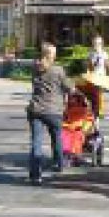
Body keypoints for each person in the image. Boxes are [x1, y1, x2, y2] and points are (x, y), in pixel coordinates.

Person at [26, 42, 74, 185]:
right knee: (56, 138)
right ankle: (58, 163)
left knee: (36, 142)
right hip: (54, 111)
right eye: (54, 53)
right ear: (50, 55)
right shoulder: (58, 70)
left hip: (36, 110)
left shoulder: (35, 67)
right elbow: (69, 88)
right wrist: (73, 88)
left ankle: (35, 175)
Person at [85, 35, 109, 118]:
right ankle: (95, 110)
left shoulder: (104, 54)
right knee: (94, 95)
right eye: (95, 43)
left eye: (98, 43)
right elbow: (88, 66)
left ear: (101, 44)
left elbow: (108, 65)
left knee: (99, 94)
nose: (96, 45)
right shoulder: (90, 54)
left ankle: (98, 111)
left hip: (101, 76)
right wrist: (89, 68)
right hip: (92, 76)